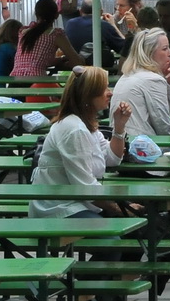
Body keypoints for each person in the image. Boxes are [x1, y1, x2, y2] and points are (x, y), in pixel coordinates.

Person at [28, 67, 131, 219]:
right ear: (88, 95)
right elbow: (85, 188)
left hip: (77, 204)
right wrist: (122, 209)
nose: (110, 92)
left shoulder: (86, 124)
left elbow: (113, 158)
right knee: (114, 235)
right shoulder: (74, 129)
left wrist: (119, 126)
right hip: (58, 210)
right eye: (103, 89)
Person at [113, 27, 170, 138]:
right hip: (142, 149)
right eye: (165, 49)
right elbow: (164, 127)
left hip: (121, 144)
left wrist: (169, 85)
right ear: (149, 53)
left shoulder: (126, 76)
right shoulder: (153, 79)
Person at [10, 0, 83, 80]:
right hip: (37, 81)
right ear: (57, 15)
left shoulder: (23, 32)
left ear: (36, 14)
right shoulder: (56, 34)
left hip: (15, 80)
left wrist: (59, 60)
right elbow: (77, 62)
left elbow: (37, 59)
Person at [65, 0, 128, 69]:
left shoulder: (70, 24)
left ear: (80, 11)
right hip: (100, 69)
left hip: (75, 69)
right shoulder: (103, 25)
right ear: (101, 12)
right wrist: (113, 25)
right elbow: (124, 48)